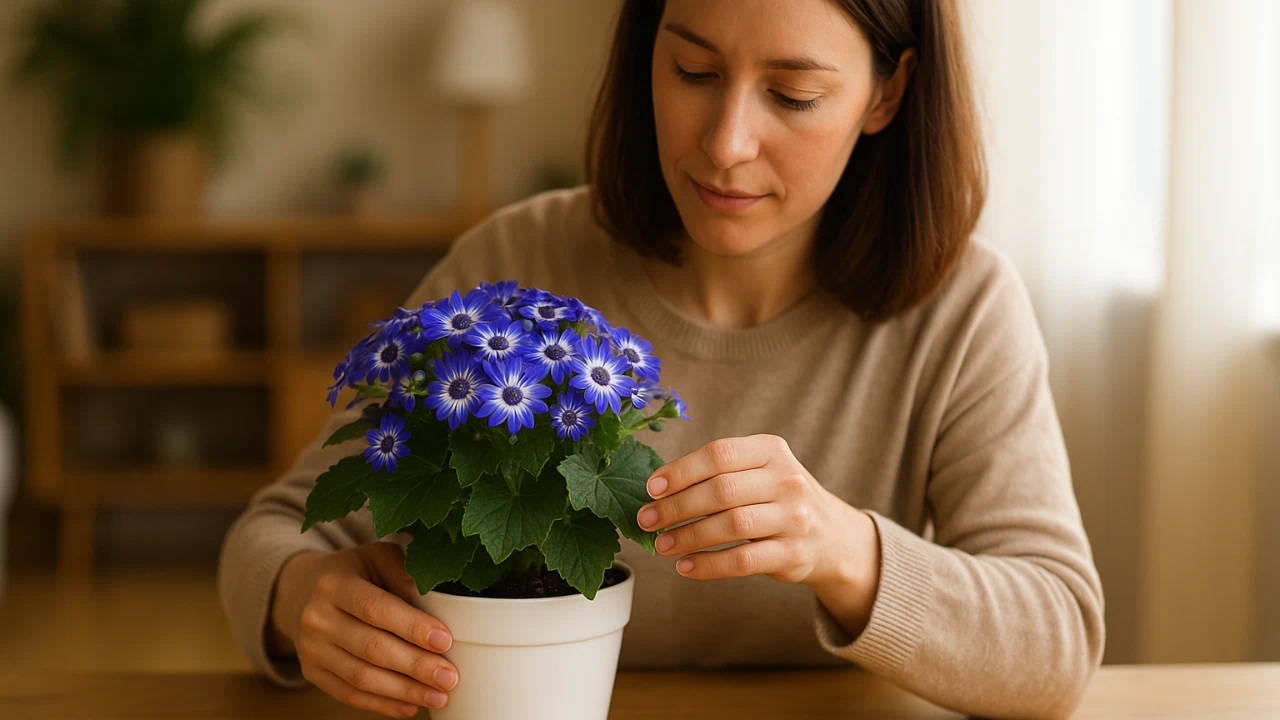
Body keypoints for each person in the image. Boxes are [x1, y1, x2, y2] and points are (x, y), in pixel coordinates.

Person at [218, 1, 1105, 718]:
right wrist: (301, 600)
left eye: (793, 94)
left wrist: (843, 549)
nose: (725, 143)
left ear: (887, 94)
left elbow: (1057, 643)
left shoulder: (963, 307)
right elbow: (274, 533)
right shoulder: (515, 262)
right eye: (693, 71)